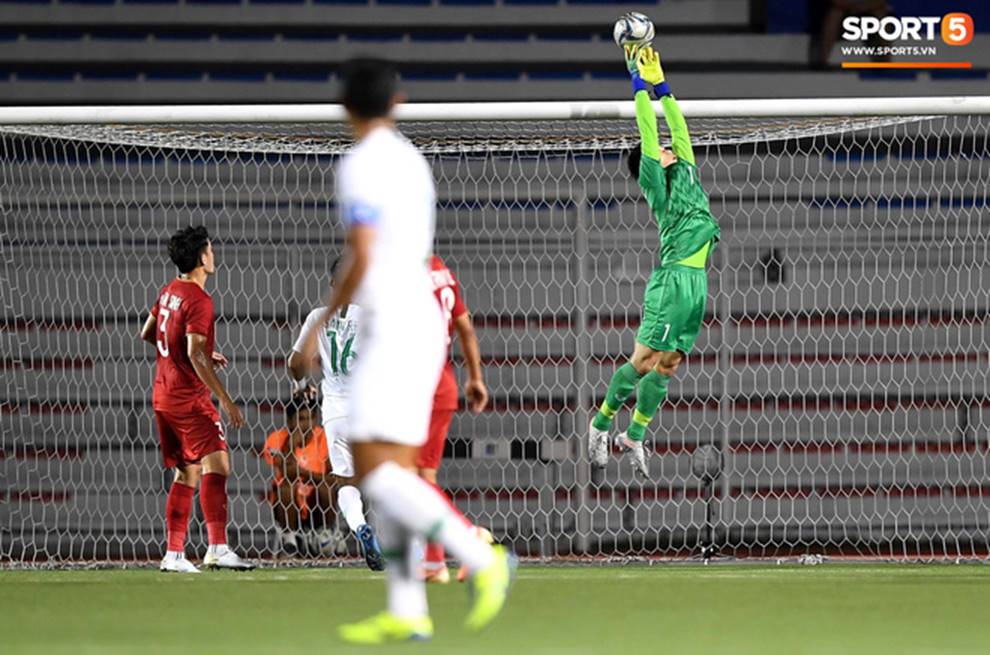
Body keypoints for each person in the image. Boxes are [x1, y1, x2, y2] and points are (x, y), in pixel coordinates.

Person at [298, 58, 513, 644]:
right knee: (390, 469)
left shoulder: (361, 164)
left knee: (376, 473)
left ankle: (479, 553)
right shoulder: (411, 160)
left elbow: (362, 253)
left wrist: (322, 325)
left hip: (391, 325)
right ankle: (407, 604)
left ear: (345, 108)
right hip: (421, 324)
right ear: (398, 100)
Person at [588, 45, 720, 478]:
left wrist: (663, 83)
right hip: (674, 281)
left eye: (667, 147)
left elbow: (677, 126)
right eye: (661, 149)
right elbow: (649, 131)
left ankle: (634, 434)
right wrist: (637, 80)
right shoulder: (656, 184)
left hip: (697, 283)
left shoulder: (686, 169)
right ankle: (600, 424)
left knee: (670, 363)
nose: (667, 146)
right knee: (643, 361)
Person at [139, 225, 254, 573]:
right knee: (218, 466)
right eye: (211, 249)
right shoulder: (199, 299)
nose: (214, 254)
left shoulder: (169, 291)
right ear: (202, 257)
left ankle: (174, 554)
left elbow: (147, 332)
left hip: (163, 394)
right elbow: (194, 353)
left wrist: (199, 351)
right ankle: (217, 547)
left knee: (186, 472)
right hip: (190, 400)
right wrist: (225, 398)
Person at [287, 258, 384, 570]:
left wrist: (301, 384)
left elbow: (295, 362)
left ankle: (359, 529)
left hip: (335, 411)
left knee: (346, 482)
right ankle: (408, 546)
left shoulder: (319, 317)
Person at [421, 254, 491, 584]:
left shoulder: (405, 272)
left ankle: (469, 537)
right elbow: (465, 327)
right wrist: (475, 377)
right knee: (421, 477)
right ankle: (434, 563)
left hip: (420, 385)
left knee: (408, 477)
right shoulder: (441, 271)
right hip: (442, 383)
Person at [262, 396, 337, 557]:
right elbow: (286, 473)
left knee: (326, 487)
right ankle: (290, 540)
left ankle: (324, 534)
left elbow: (332, 478)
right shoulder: (276, 439)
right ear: (289, 421)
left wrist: (303, 473)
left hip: (317, 503)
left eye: (311, 418)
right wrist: (290, 445)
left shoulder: (324, 437)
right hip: (288, 505)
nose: (307, 424)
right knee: (286, 487)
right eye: (301, 419)